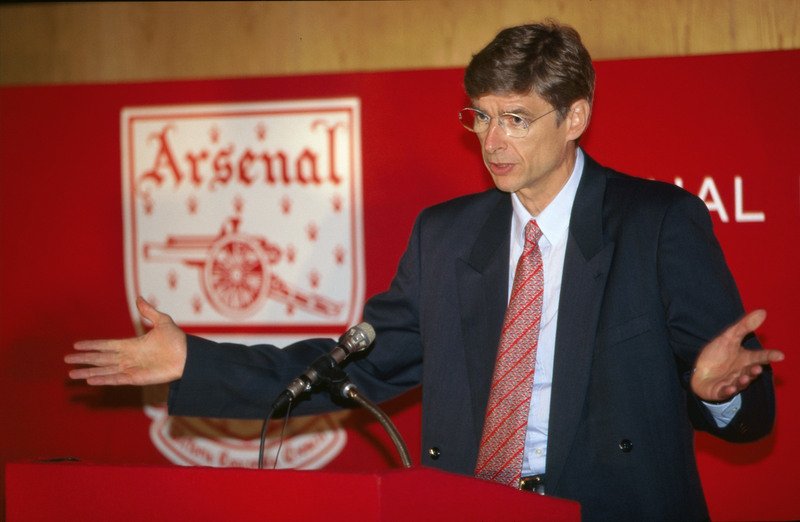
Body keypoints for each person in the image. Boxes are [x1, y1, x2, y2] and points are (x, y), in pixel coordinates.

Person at [66, 20, 784, 521]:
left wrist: (718, 396)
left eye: (516, 118)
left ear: (575, 118)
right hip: (472, 509)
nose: (492, 142)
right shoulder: (446, 237)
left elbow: (750, 407)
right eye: (481, 117)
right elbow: (355, 366)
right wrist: (195, 362)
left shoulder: (657, 223)